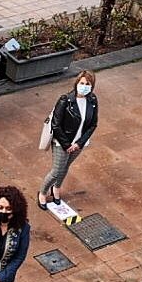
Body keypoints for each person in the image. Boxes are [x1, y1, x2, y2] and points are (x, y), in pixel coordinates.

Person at [37, 70, 99, 209]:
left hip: (78, 144)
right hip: (62, 142)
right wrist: (66, 145)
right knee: (56, 171)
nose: (84, 86)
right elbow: (56, 124)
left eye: (87, 84)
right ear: (77, 83)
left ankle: (56, 189)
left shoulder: (92, 101)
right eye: (82, 83)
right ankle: (42, 193)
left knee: (65, 167)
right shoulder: (65, 100)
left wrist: (79, 143)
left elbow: (93, 124)